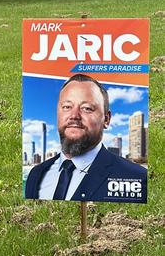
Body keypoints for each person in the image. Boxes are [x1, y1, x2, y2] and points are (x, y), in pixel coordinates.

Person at [25, 74, 147, 202]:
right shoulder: (36, 174)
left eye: (87, 108)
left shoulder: (137, 178)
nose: (74, 116)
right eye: (67, 107)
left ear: (106, 119)